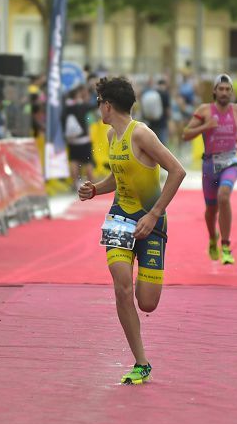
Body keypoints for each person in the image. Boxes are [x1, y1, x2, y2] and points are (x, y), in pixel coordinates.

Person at [78, 77, 186, 385]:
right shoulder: (112, 135)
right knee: (122, 287)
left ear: (108, 105)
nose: (98, 108)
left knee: (147, 301)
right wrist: (96, 189)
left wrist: (154, 215)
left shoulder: (142, 134)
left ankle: (146, 268)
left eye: (99, 102)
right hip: (119, 217)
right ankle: (141, 361)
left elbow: (178, 171)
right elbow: (119, 176)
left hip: (151, 221)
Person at [182, 74, 237, 265]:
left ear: (232, 92)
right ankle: (213, 238)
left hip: (230, 162)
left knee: (224, 196)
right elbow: (185, 134)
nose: (224, 92)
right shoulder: (204, 110)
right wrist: (206, 126)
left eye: (228, 89)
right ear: (214, 91)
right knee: (211, 210)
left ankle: (226, 246)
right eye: (221, 89)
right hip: (210, 165)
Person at [63, 85, 96, 187]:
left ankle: (75, 183)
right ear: (77, 95)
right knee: (88, 161)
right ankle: (92, 182)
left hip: (71, 139)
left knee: (74, 161)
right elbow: (93, 106)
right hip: (84, 139)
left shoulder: (66, 107)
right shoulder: (81, 106)